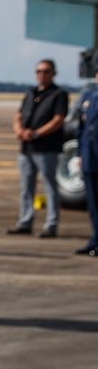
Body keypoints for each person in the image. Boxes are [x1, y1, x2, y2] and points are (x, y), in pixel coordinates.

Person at [8, 59, 69, 238]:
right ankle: (25, 222)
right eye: (38, 71)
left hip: (46, 148)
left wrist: (36, 134)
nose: (41, 75)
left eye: (46, 71)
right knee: (26, 188)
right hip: (26, 149)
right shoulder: (31, 93)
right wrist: (19, 131)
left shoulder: (58, 95)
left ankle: (51, 224)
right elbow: (18, 115)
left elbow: (58, 120)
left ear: (53, 73)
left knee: (50, 186)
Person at [76, 83, 98, 257]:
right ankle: (94, 241)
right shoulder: (89, 96)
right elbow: (81, 128)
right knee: (93, 204)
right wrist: (79, 154)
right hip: (89, 157)